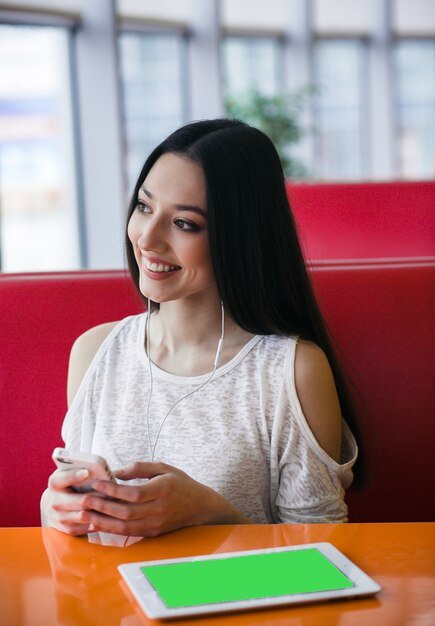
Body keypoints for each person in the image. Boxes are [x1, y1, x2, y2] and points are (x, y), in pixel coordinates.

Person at [41, 118, 358, 537]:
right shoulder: (95, 351)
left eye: (184, 223)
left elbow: (323, 554)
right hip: (110, 601)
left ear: (240, 237)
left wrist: (210, 512)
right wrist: (56, 507)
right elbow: (70, 531)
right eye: (143, 207)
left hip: (234, 603)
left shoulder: (292, 371)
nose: (148, 239)